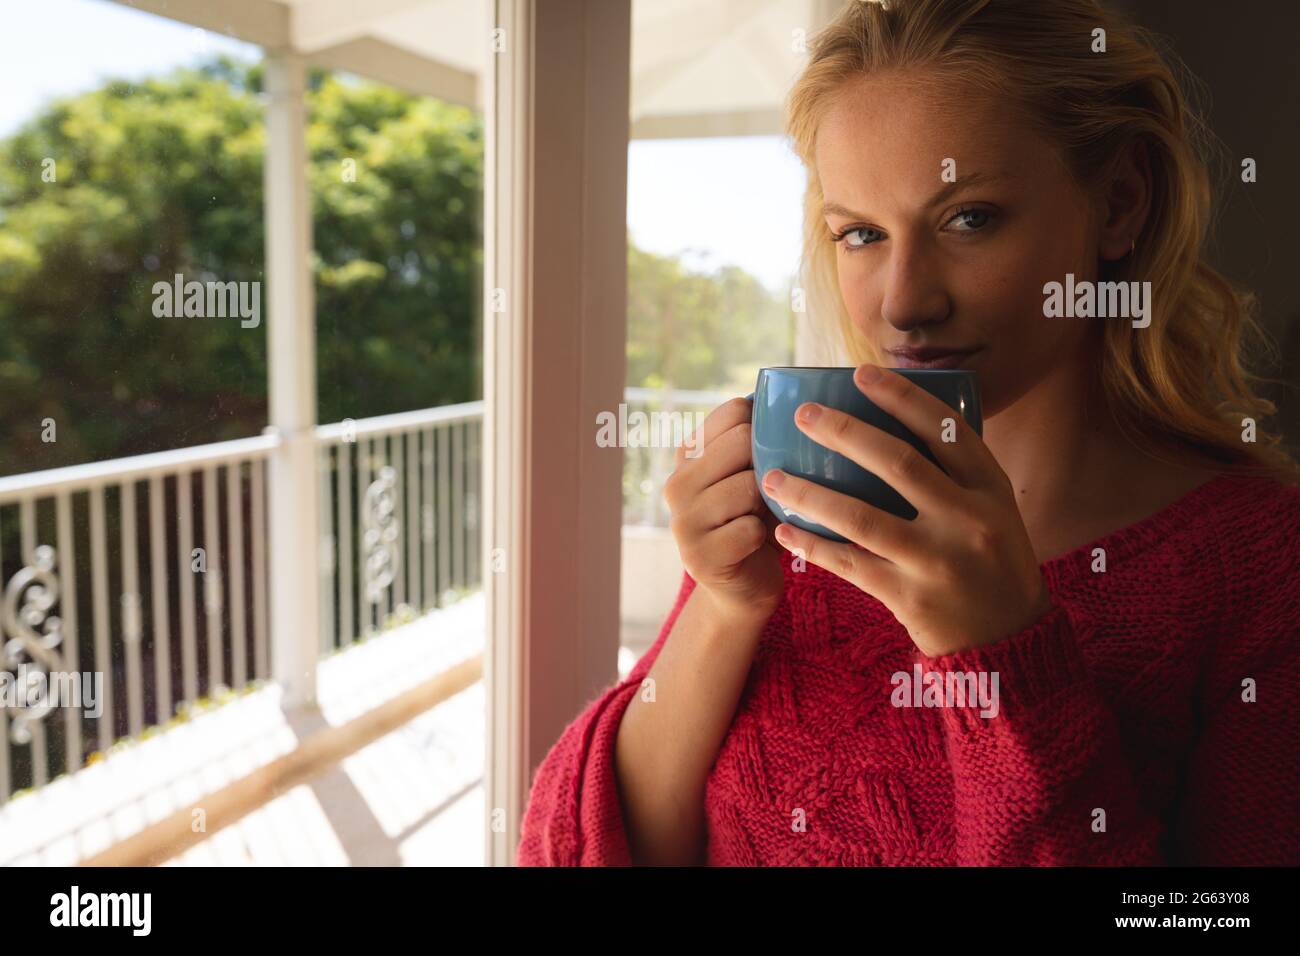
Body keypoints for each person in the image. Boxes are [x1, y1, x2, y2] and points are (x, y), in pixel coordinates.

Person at [517, 0, 1300, 866]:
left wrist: (1004, 660)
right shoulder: (811, 512)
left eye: (969, 218)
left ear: (1118, 203)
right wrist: (723, 606)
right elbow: (572, 848)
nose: (902, 302)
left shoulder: (1264, 565)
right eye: (860, 233)